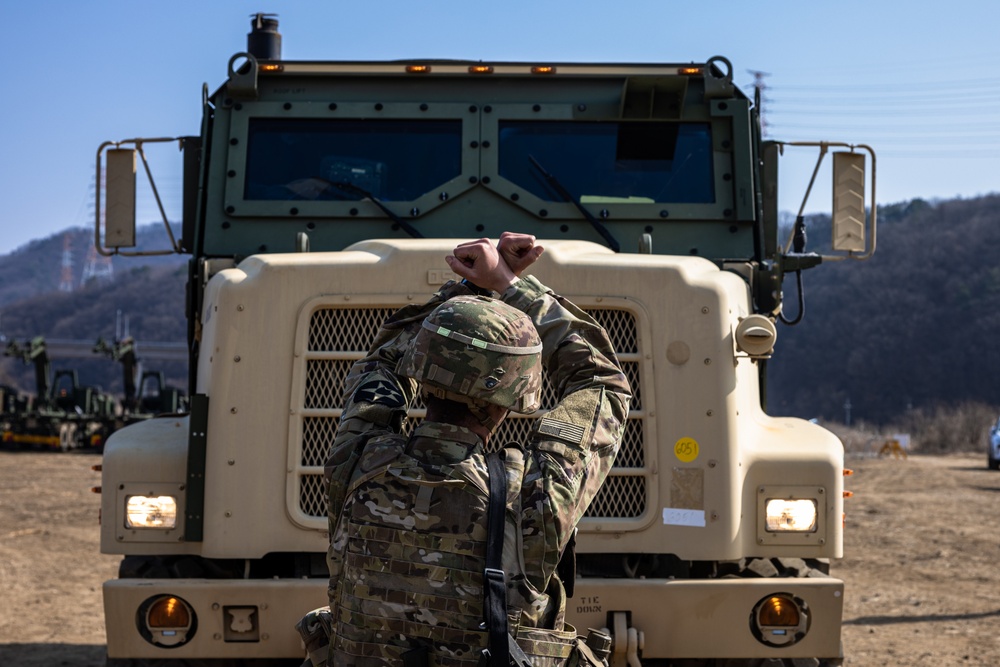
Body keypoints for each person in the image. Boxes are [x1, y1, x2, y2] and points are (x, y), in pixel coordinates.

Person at [300, 232, 631, 666]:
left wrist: (463, 289)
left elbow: (380, 362)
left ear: (421, 369)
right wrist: (508, 284)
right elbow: (600, 382)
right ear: (514, 396)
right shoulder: (537, 495)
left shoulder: (358, 458)